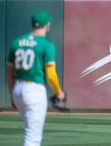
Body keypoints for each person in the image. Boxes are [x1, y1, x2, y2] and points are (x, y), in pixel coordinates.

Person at [6, 11, 66, 146]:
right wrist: (59, 92)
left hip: (18, 90)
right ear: (47, 25)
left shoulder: (17, 42)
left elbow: (9, 70)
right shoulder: (46, 44)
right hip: (34, 91)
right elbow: (50, 74)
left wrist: (12, 93)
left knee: (30, 133)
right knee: (32, 138)